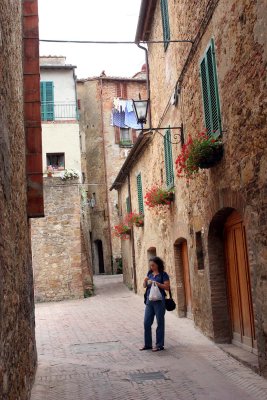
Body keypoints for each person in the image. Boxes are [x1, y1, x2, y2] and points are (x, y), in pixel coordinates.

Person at [140, 256, 170, 352]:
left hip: (160, 302)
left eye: (153, 265)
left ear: (158, 265)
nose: (151, 267)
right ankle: (148, 344)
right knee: (146, 322)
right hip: (149, 301)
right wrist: (145, 281)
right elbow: (145, 286)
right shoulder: (149, 273)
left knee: (160, 322)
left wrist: (156, 283)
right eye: (150, 265)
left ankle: (159, 345)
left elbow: (167, 287)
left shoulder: (163, 274)